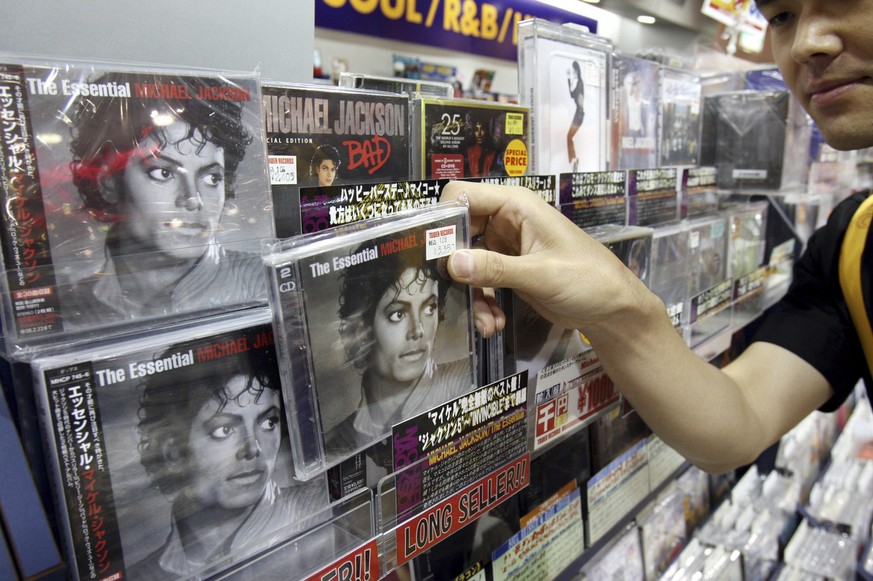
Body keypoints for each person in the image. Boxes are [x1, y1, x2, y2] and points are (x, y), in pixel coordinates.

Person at [440, 0, 873, 475]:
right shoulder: (851, 244)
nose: (808, 42)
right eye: (782, 17)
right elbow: (740, 422)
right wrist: (620, 304)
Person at [66, 73, 265, 329]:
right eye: (163, 173)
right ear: (108, 183)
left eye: (212, 178)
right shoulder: (72, 306)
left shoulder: (266, 284)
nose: (193, 200)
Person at [130, 344, 328, 579]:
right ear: (174, 452)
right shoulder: (141, 575)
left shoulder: (320, 509)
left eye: (268, 423)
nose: (254, 448)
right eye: (224, 430)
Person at [325, 229, 474, 459]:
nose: (418, 330)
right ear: (363, 330)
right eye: (397, 314)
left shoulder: (469, 380)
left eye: (429, 308)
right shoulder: (335, 445)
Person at [567, 60, 585, 170]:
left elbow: (573, 95)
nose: (573, 74)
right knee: (569, 137)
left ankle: (574, 160)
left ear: (576, 71)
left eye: (573, 72)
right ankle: (574, 160)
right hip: (579, 113)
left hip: (579, 114)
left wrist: (569, 79)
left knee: (569, 137)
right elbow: (573, 95)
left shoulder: (579, 82)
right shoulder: (579, 82)